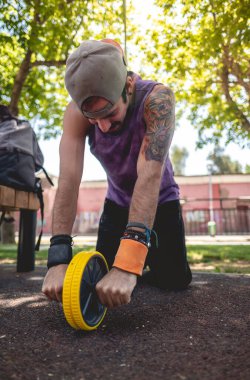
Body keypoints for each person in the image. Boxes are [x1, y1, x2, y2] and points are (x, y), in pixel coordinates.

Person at [42, 39, 192, 308]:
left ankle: (148, 262)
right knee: (100, 282)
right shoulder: (76, 113)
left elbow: (149, 175)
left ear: (129, 86)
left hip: (161, 201)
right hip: (117, 204)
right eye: (93, 118)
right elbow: (68, 180)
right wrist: (58, 256)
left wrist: (130, 261)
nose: (102, 126)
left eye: (110, 114)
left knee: (173, 281)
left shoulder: (158, 100)